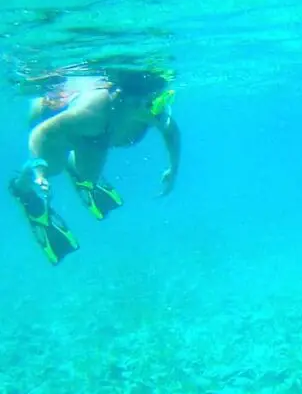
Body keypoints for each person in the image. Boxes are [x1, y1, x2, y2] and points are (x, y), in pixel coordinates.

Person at [8, 68, 182, 265]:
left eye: (163, 100)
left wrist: (172, 169)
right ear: (128, 101)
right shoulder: (92, 112)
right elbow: (40, 133)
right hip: (51, 119)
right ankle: (22, 191)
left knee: (88, 176)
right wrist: (39, 172)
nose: (160, 111)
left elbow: (171, 132)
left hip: (95, 136)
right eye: (156, 103)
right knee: (52, 168)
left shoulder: (148, 111)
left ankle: (76, 167)